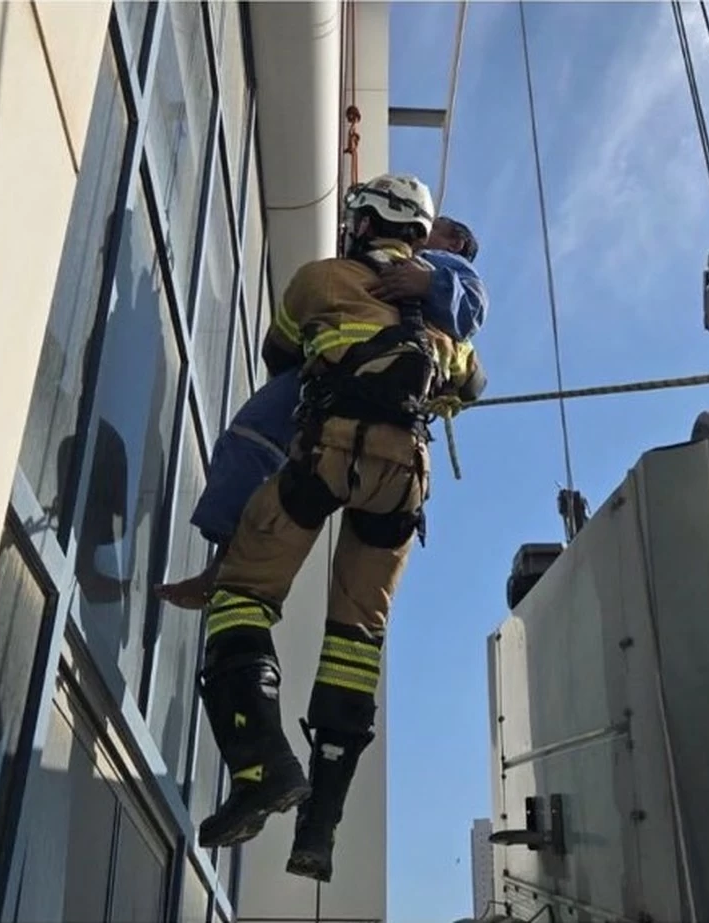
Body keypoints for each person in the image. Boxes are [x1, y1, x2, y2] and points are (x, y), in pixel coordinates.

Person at [189, 173, 489, 885]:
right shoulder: (444, 315)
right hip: (404, 481)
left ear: (362, 223)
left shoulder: (320, 279)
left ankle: (261, 764)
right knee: (356, 639)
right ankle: (318, 828)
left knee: (242, 594)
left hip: (328, 452)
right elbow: (470, 386)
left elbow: (281, 357)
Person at [154, 212, 485, 609]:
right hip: (334, 376)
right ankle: (225, 559)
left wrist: (431, 283)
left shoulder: (448, 267)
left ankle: (228, 565)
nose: (424, 230)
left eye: (438, 227)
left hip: (374, 383)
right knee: (252, 439)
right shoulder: (377, 264)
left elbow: (472, 314)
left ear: (456, 243)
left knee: (257, 439)